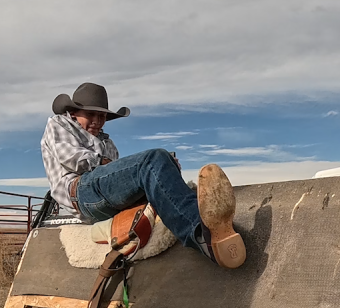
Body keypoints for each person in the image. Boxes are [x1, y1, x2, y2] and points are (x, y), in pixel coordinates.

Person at [40, 82, 246, 268]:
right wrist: (120, 164)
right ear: (74, 112)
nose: (97, 121)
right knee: (153, 160)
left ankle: (212, 221)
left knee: (162, 166)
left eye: (102, 116)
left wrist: (164, 169)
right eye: (90, 114)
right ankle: (201, 233)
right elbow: (75, 159)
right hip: (80, 192)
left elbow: (115, 172)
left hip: (102, 196)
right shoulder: (59, 124)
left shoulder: (107, 143)